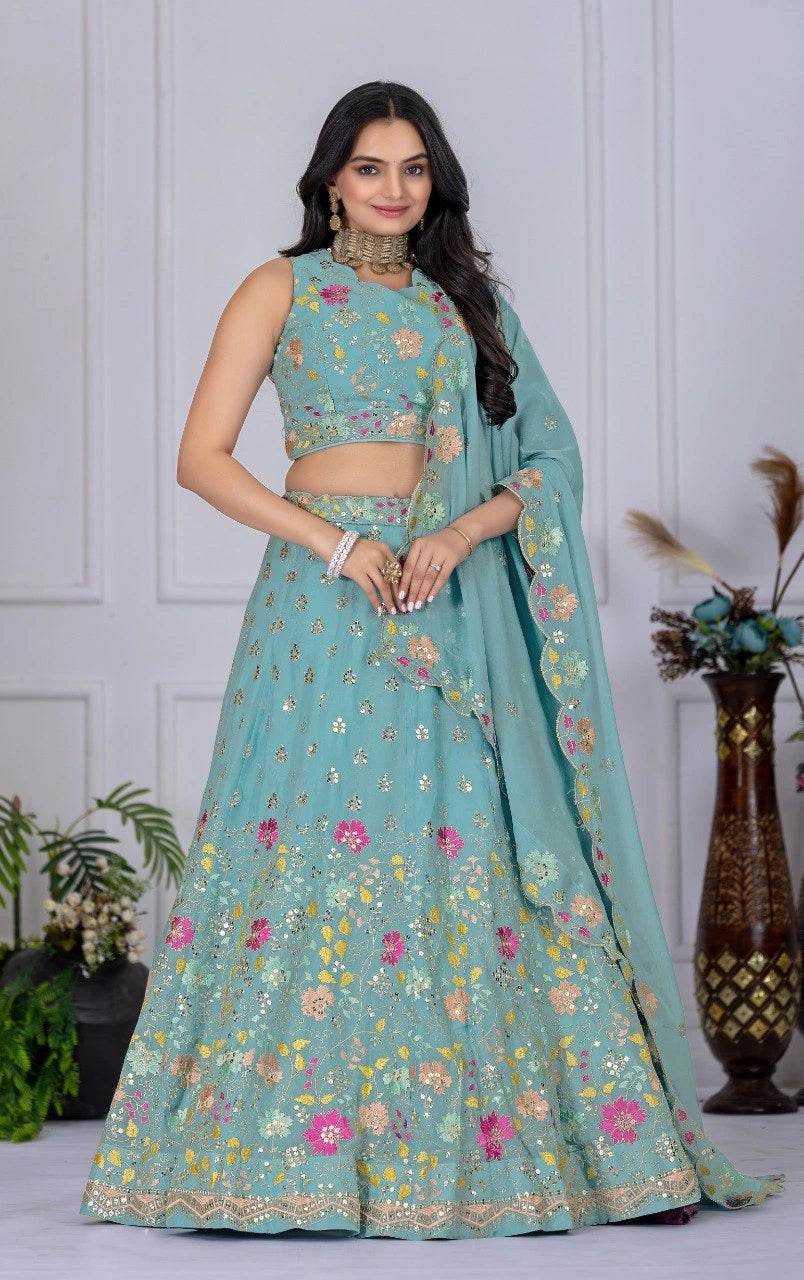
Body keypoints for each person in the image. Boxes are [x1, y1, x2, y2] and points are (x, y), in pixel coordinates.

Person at [79, 81, 785, 1239]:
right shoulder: (281, 288)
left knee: (464, 847)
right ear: (329, 179)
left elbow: (548, 459)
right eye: (371, 167)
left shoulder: (468, 303)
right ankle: (275, 1159)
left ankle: (511, 1147)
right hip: (320, 609)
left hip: (452, 609)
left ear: (436, 181)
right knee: (306, 838)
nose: (395, 189)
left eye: (414, 169)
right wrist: (341, 541)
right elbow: (201, 459)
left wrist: (456, 533)